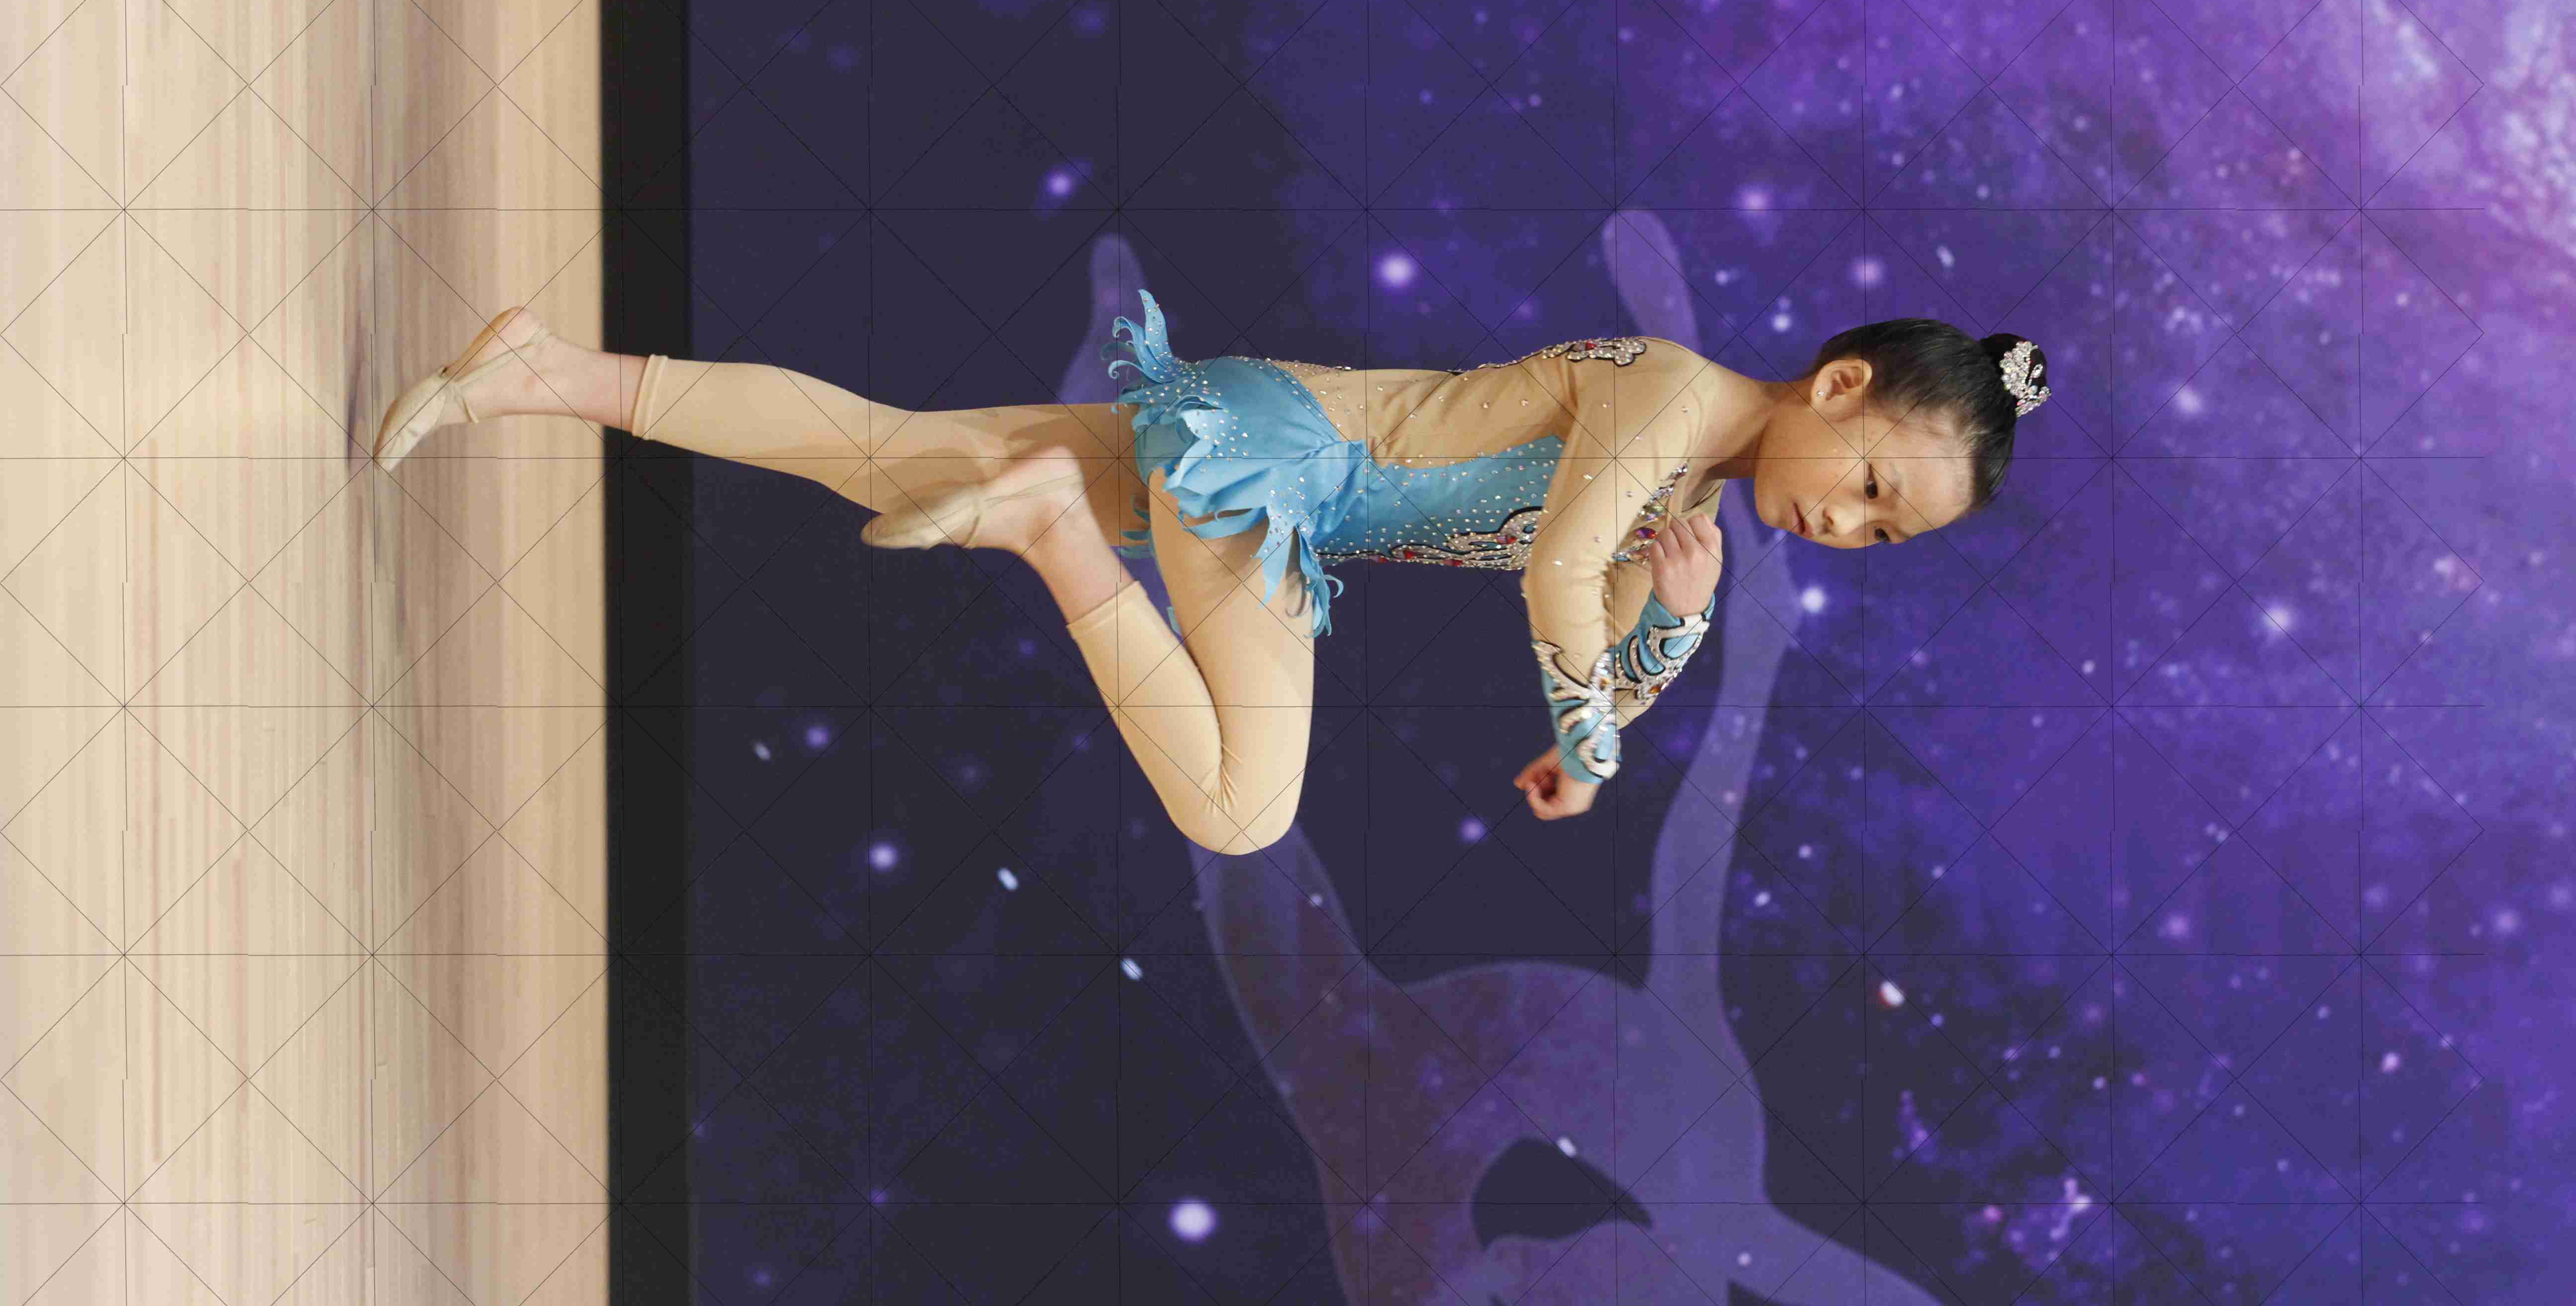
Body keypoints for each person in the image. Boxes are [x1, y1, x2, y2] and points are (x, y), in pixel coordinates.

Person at [371, 290, 2049, 855]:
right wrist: (1597, 747)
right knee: (1246, 806)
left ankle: (540, 370)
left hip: (1256, 445)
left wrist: (1664, 643)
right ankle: (1049, 527)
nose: (1850, 528)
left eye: (1884, 536)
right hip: (1280, 471)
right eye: (1872, 486)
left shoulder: (1689, 516)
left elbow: (1601, 649)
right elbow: (1557, 574)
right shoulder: (1673, 396)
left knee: (884, 453)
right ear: (1839, 387)